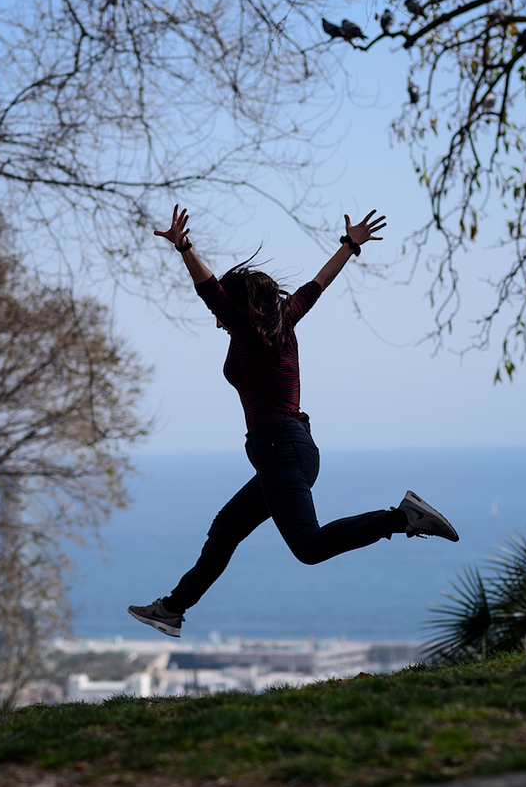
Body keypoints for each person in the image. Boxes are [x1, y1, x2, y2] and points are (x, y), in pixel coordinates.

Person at [128, 206, 458, 638]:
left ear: (239, 306)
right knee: (225, 530)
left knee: (309, 546)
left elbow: (208, 290)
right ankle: (172, 608)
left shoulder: (248, 331)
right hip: (286, 451)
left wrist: (185, 247)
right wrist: (350, 245)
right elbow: (317, 285)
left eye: (225, 309)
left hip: (279, 450)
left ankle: (401, 518)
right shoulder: (287, 320)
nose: (217, 318)